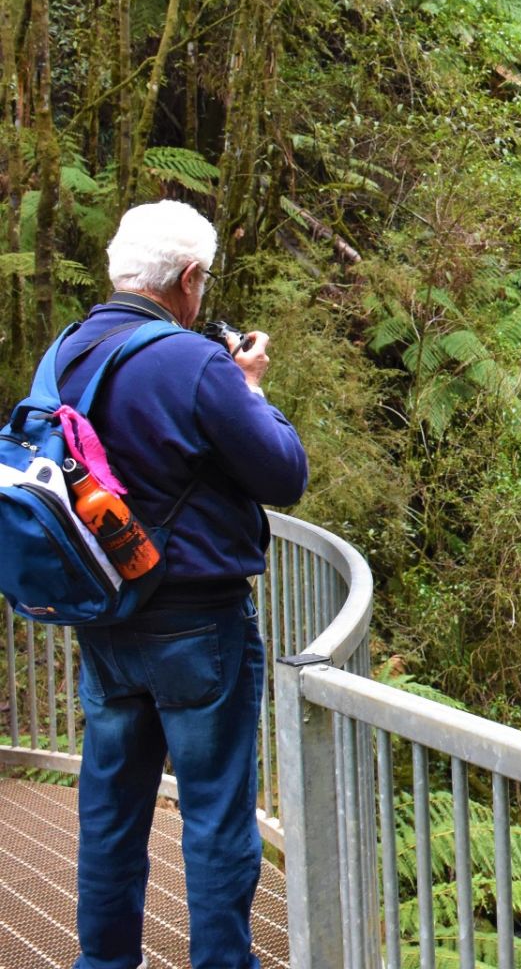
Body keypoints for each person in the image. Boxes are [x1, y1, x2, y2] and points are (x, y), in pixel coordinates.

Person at [56, 200, 308, 969]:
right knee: (217, 814)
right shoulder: (196, 364)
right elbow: (283, 474)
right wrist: (251, 387)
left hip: (103, 612)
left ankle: (102, 963)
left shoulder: (67, 351)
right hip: (198, 622)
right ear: (189, 279)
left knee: (110, 810)